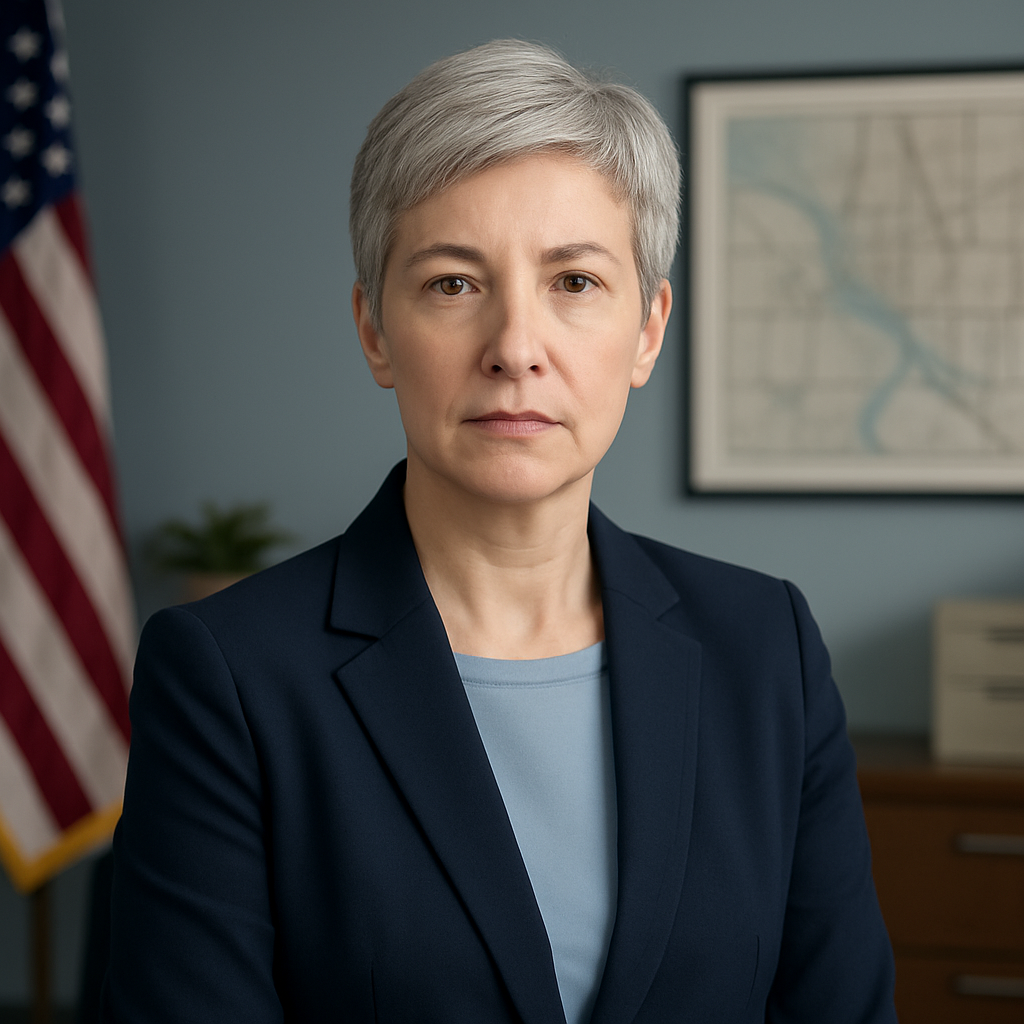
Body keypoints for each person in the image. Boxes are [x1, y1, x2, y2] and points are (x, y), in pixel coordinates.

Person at [101, 40, 897, 1024]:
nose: (515, 349)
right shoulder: (229, 674)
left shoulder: (764, 645)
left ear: (646, 329)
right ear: (374, 331)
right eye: (452, 284)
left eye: (574, 282)